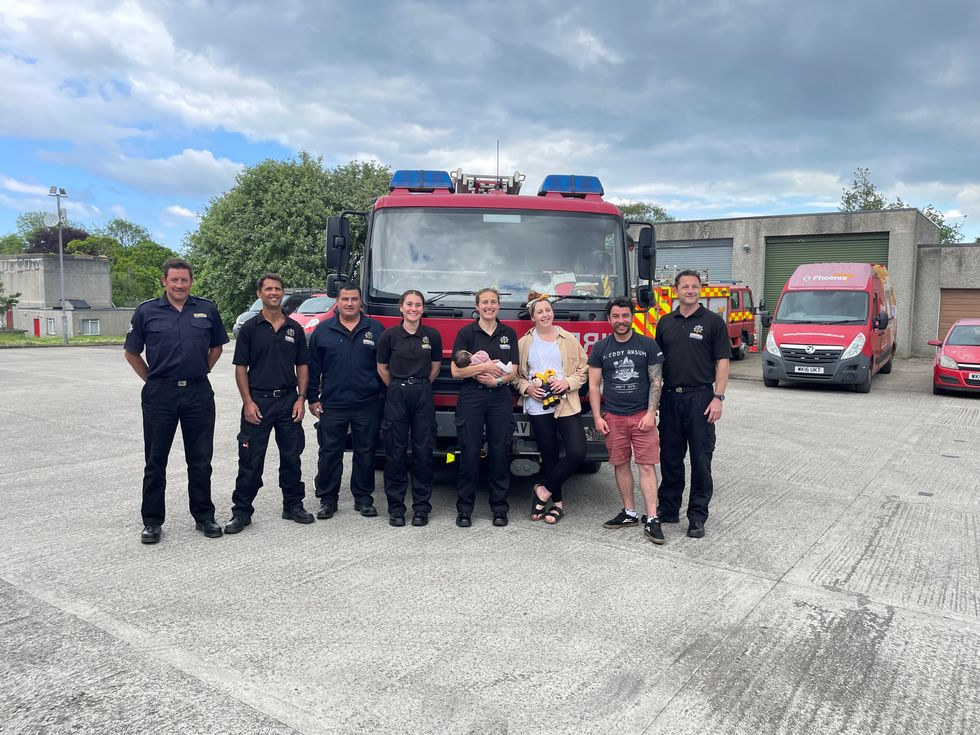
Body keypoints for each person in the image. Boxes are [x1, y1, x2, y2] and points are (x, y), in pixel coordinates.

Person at [124, 257, 229, 544]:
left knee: (200, 460)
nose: (180, 285)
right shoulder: (147, 311)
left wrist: (202, 370)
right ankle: (152, 521)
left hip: (198, 392)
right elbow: (132, 352)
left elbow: (217, 346)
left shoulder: (206, 309)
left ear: (191, 281)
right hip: (160, 395)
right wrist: (153, 380)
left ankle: (204, 516)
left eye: (184, 280)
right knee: (155, 461)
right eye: (174, 280)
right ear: (164, 281)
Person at [224, 273, 313, 534]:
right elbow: (241, 367)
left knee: (291, 458)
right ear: (259, 294)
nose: (274, 293)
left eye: (278, 289)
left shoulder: (294, 328)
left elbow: (303, 366)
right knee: (250, 460)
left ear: (282, 293)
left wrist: (301, 398)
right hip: (258, 402)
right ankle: (241, 512)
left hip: (288, 401)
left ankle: (293, 505)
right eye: (269, 289)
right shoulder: (250, 328)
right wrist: (247, 402)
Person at [655, 269, 730, 538]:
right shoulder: (664, 322)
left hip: (701, 398)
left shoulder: (713, 322)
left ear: (701, 289)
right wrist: (654, 400)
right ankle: (669, 509)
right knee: (670, 457)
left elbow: (722, 361)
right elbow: (657, 365)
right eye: (685, 286)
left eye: (694, 286)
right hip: (671, 398)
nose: (690, 290)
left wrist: (718, 397)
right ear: (676, 290)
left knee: (700, 458)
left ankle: (697, 516)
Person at [588, 297, 665, 543]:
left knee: (646, 465)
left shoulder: (648, 345)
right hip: (614, 418)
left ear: (632, 317)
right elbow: (593, 385)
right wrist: (598, 417)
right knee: (620, 464)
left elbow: (656, 381)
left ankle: (652, 518)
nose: (621, 321)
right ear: (609, 319)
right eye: (616, 316)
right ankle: (629, 512)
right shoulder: (600, 348)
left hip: (642, 416)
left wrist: (651, 413)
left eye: (625, 316)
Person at [307, 284, 385, 519]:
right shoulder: (322, 331)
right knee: (330, 452)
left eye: (353, 299)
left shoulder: (376, 329)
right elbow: (313, 368)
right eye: (345, 299)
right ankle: (328, 499)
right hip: (333, 403)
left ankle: (363, 498)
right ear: (338, 302)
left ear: (361, 302)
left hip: (367, 402)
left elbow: (383, 366)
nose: (349, 303)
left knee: (366, 452)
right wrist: (312, 398)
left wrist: (381, 396)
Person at [513, 292, 588, 524]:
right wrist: (527, 388)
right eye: (539, 312)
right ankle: (557, 505)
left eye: (548, 310)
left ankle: (542, 491)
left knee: (577, 452)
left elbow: (583, 370)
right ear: (532, 316)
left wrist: (567, 383)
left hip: (566, 403)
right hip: (538, 406)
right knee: (550, 455)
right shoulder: (524, 343)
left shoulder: (568, 339)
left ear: (552, 313)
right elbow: (515, 376)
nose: (545, 314)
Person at [450, 288, 518, 528]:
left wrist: (497, 380)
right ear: (477, 307)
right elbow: (456, 371)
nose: (489, 306)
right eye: (484, 302)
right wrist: (485, 367)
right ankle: (465, 510)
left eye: (493, 302)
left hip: (500, 398)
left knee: (500, 454)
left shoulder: (508, 333)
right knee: (469, 453)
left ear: (499, 306)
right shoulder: (466, 332)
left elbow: (514, 372)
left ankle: (499, 509)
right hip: (472, 397)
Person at [376, 290, 442, 527]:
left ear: (423, 309)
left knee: (423, 452)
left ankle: (421, 508)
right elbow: (382, 367)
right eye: (409, 304)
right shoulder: (389, 336)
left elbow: (435, 367)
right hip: (396, 393)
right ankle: (396, 508)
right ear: (401, 308)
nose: (414, 309)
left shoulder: (432, 336)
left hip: (423, 393)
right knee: (395, 452)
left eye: (418, 305)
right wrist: (399, 386)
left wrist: (419, 385)